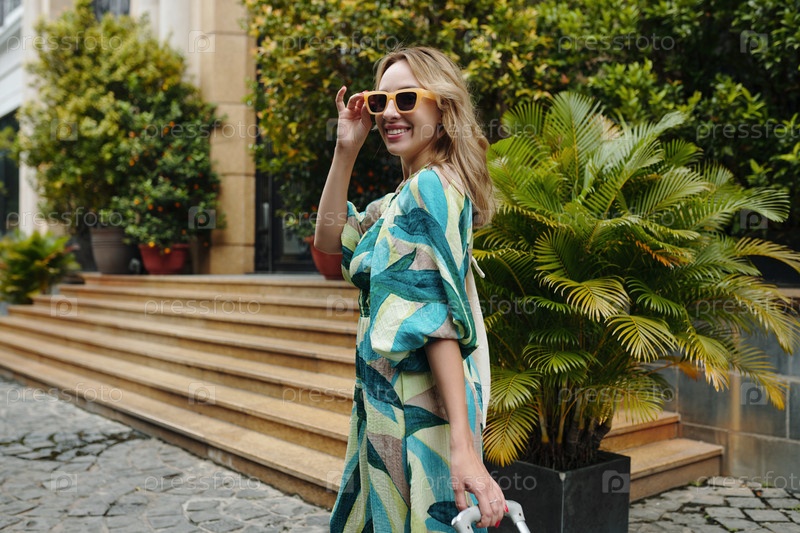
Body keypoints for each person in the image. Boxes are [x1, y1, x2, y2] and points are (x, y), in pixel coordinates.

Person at [315, 46, 505, 532]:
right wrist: (345, 150)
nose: (389, 114)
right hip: (388, 397)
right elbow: (330, 246)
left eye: (406, 99)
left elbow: (434, 320)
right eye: (381, 101)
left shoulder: (430, 188)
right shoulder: (405, 196)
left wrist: (463, 447)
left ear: (442, 109)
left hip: (414, 402)